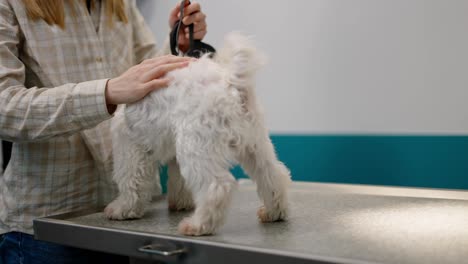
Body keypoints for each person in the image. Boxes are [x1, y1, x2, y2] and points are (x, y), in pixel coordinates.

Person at [0, 0, 208, 263]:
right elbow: (4, 108)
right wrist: (106, 93)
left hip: (133, 220)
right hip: (47, 229)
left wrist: (176, 45)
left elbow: (142, 74)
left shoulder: (119, 3)